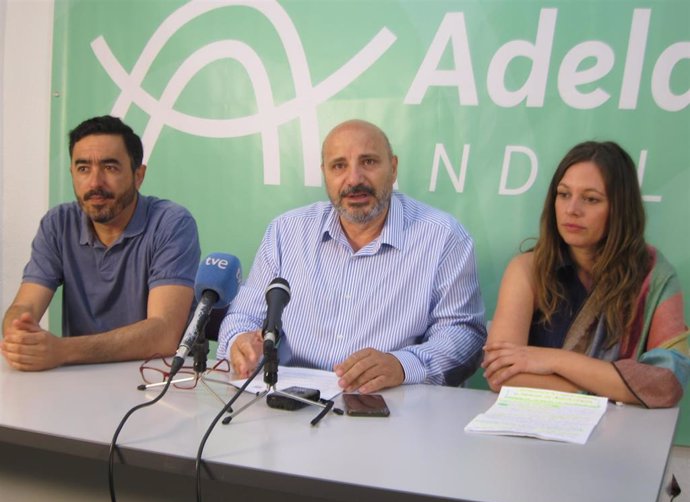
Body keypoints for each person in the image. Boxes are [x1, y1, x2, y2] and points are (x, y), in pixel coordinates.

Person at [218, 119, 486, 393]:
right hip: (288, 399)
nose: (354, 179)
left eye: (368, 162)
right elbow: (243, 316)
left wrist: (403, 365)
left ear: (393, 169)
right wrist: (239, 342)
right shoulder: (285, 232)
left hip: (386, 404)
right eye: (339, 166)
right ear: (325, 174)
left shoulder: (443, 237)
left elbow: (464, 334)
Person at [482, 141, 690, 408]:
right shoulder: (528, 269)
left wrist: (551, 360)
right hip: (532, 431)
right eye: (564, 194)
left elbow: (665, 384)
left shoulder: (653, 276)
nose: (572, 210)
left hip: (619, 437)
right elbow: (501, 375)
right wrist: (614, 387)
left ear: (620, 208)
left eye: (591, 199)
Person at [1, 115, 201, 371]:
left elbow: (163, 334)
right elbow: (24, 305)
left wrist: (62, 350)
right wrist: (19, 334)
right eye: (83, 168)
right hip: (80, 378)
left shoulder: (171, 223)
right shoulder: (58, 223)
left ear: (138, 175)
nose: (95, 183)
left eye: (110, 167)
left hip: (155, 381)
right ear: (72, 173)